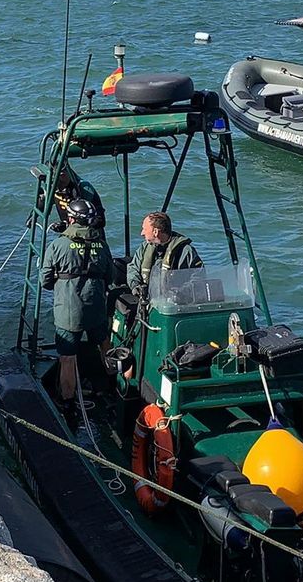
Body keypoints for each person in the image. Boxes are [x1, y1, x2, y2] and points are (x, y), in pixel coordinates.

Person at [40, 197, 112, 405]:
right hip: (96, 306)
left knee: (68, 358)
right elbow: (110, 277)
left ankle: (68, 402)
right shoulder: (102, 244)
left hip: (68, 311)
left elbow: (45, 280)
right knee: (104, 344)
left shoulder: (58, 245)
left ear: (71, 219)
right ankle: (113, 389)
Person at [128, 211, 203, 297]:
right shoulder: (144, 248)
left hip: (174, 304)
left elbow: (198, 277)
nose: (142, 233)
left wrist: (181, 292)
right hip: (148, 301)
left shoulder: (185, 251)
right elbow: (133, 268)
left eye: (145, 229)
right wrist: (135, 285)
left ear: (155, 232)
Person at [50, 164, 102, 233]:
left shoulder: (83, 188)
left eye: (61, 177)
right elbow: (44, 202)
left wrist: (67, 225)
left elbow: (99, 220)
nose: (58, 187)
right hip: (69, 231)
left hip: (88, 233)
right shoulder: (53, 187)